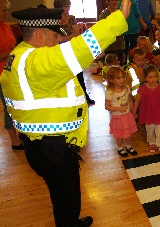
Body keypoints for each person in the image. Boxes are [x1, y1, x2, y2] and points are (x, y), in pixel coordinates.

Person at [0, 2, 131, 226]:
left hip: (37, 145)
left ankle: (68, 221)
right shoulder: (38, 62)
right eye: (54, 35)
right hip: (54, 149)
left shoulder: (19, 55)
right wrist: (119, 18)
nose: (59, 39)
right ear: (40, 35)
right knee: (68, 197)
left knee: (60, 194)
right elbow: (79, 49)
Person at [54, 0, 95, 104]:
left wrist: (65, 38)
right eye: (66, 6)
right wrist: (68, 37)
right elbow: (56, 38)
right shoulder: (54, 19)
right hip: (59, 51)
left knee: (79, 74)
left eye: (69, 6)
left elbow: (76, 35)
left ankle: (85, 95)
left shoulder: (71, 18)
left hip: (72, 50)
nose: (68, 8)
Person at [0, 0, 24, 150]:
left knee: (17, 104)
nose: (6, 14)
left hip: (11, 73)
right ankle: (15, 141)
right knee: (8, 107)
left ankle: (21, 133)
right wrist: (10, 53)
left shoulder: (6, 27)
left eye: (7, 11)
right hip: (1, 76)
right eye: (3, 11)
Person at [132, 64, 160, 155]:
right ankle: (151, 142)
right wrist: (134, 112)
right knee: (149, 129)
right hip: (148, 114)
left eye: (155, 76)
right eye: (150, 77)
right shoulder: (142, 89)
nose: (153, 79)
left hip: (159, 113)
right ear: (145, 78)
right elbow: (137, 101)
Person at [105, 66, 138, 157]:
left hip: (127, 115)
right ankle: (120, 148)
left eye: (123, 77)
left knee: (128, 132)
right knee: (119, 133)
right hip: (118, 117)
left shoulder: (127, 88)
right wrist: (119, 109)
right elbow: (107, 106)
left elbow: (130, 100)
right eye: (119, 78)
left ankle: (129, 146)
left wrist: (133, 111)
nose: (122, 80)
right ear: (111, 80)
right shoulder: (110, 92)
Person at [99, 0, 125, 66]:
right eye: (113, 0)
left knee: (120, 68)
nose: (115, 2)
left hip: (120, 46)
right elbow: (103, 31)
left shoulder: (119, 13)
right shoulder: (104, 14)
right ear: (108, 1)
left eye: (117, 0)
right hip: (110, 47)